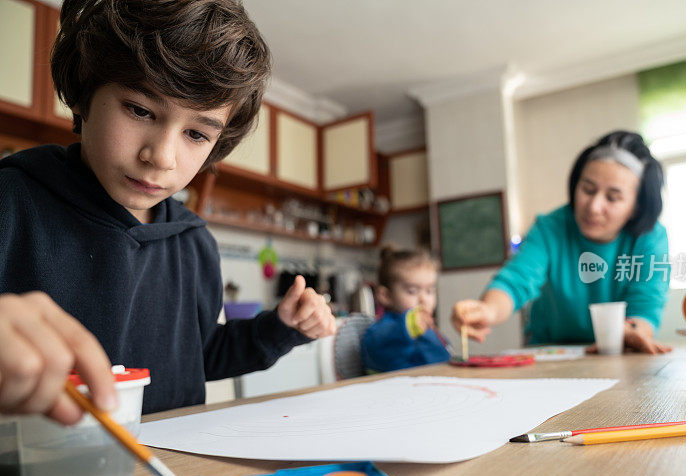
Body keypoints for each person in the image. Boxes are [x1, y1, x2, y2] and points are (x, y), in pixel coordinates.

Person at [0, 0, 336, 425]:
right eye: (140, 110)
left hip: (173, 473)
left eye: (195, 133)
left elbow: (200, 357)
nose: (161, 157)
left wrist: (279, 328)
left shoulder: (194, 242)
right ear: (85, 93)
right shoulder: (11, 202)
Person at [452, 131, 671, 354]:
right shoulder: (549, 228)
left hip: (617, 351)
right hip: (550, 352)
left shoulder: (651, 238)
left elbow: (646, 304)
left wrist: (633, 331)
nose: (594, 206)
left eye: (612, 198)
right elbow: (515, 280)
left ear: (637, 207)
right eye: (588, 189)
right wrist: (487, 310)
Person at [361, 247, 451, 372]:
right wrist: (410, 324)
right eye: (412, 291)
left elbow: (444, 357)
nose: (424, 299)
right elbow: (377, 345)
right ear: (386, 296)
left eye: (429, 291)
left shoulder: (430, 330)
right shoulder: (382, 330)